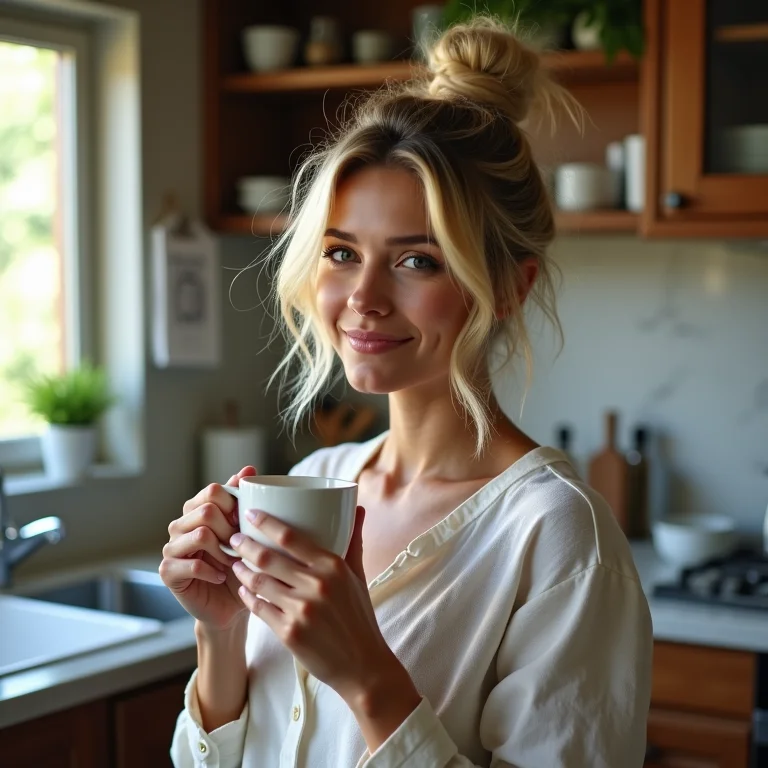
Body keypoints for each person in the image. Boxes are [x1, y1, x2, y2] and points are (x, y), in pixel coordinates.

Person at [162, 17, 652, 768]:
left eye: (417, 261)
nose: (362, 297)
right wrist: (221, 636)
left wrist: (367, 676)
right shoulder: (319, 484)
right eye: (340, 252)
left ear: (509, 288)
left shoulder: (557, 538)